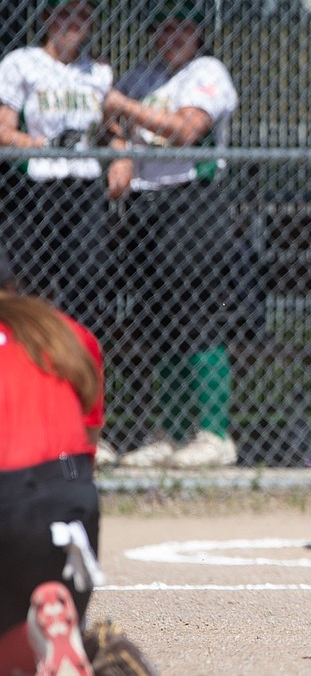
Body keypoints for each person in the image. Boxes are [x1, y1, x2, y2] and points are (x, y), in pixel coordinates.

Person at [0, 247, 158, 676]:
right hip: (70, 513)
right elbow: (86, 450)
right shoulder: (66, 332)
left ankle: (37, 640)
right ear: (13, 283)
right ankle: (57, 633)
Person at [102, 3, 242, 470]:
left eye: (183, 27)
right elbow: (113, 122)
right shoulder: (143, 77)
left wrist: (124, 107)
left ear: (199, 33)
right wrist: (121, 150)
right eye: (164, 28)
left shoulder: (207, 72)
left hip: (194, 199)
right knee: (157, 316)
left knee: (196, 310)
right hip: (147, 200)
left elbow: (186, 129)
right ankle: (172, 430)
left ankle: (214, 433)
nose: (173, 36)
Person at [0, 0, 118, 340]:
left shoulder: (97, 72)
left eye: (82, 16)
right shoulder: (22, 62)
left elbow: (109, 127)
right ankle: (25, 357)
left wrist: (121, 153)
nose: (73, 24)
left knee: (87, 277)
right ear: (47, 20)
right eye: (64, 15)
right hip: (35, 185)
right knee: (27, 279)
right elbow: (3, 128)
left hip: (83, 187)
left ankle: (74, 355)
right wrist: (40, 144)